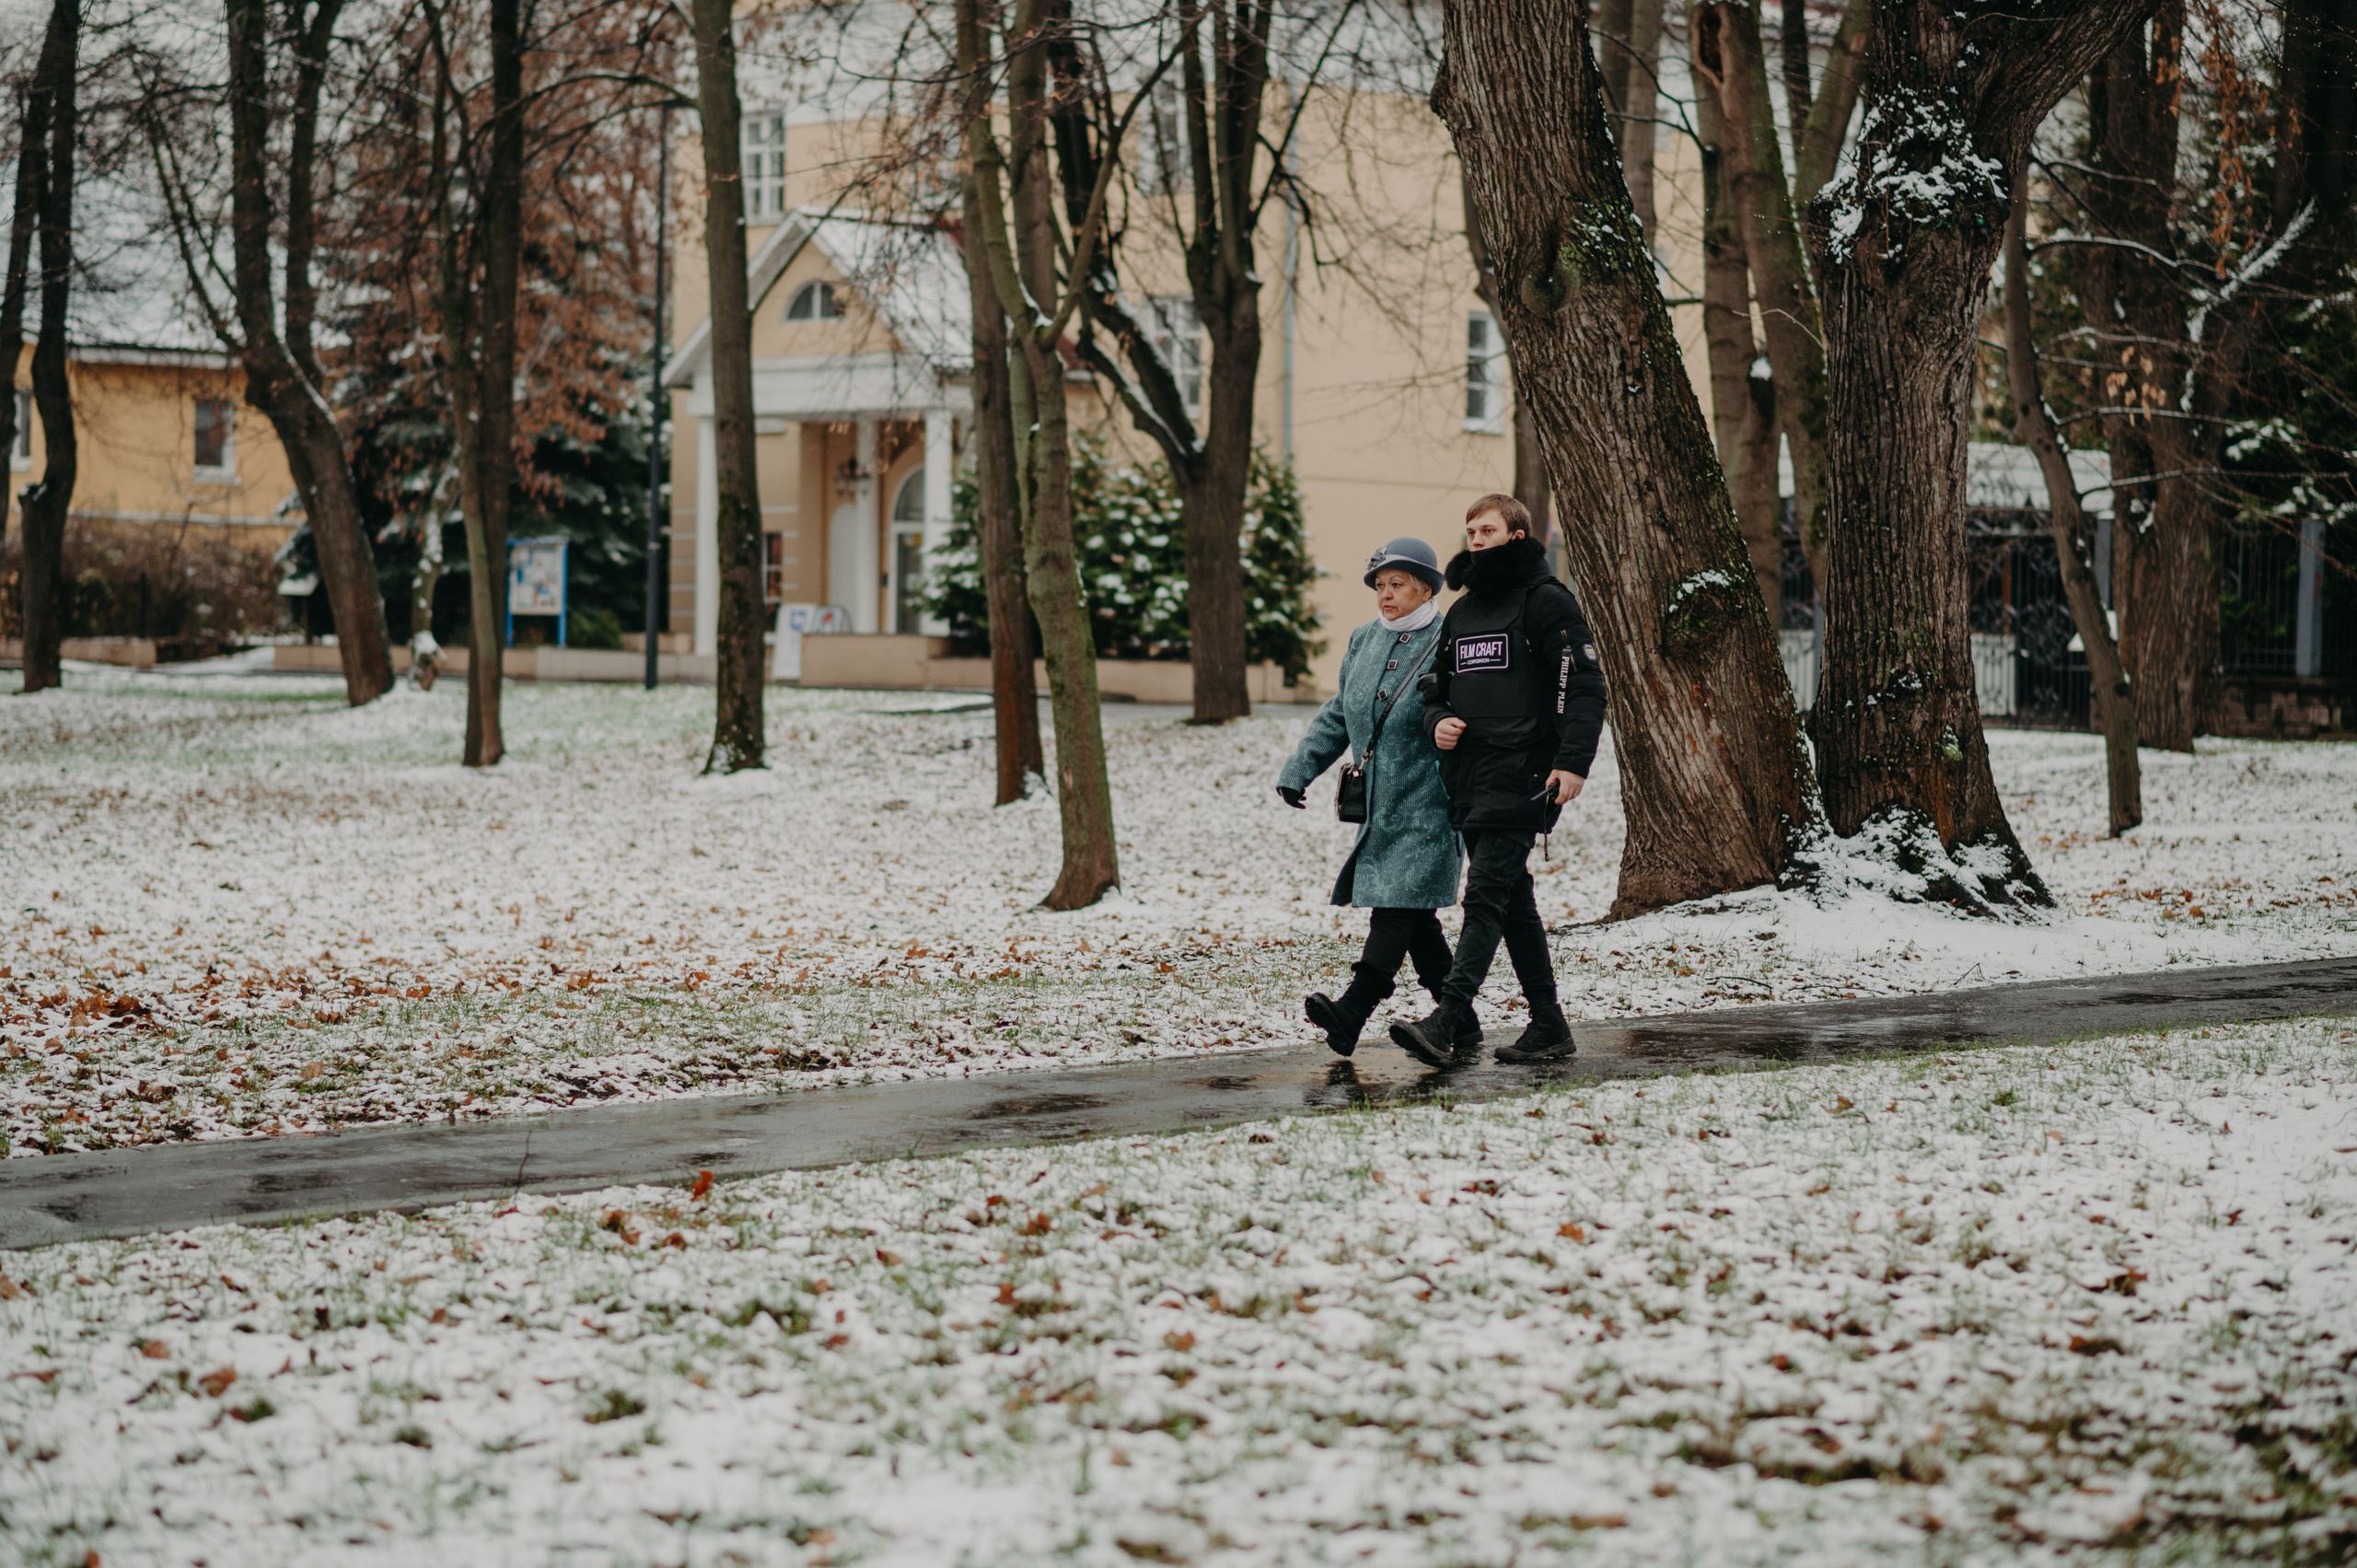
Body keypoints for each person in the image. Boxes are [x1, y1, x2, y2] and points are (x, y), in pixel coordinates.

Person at [1389, 494, 1607, 1067]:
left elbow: (1582, 685)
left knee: (1484, 895)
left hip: (1529, 771)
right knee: (1513, 903)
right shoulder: (1462, 612)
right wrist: (1438, 721)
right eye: (1470, 531)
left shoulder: (1547, 601)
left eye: (1487, 529)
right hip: (1472, 775)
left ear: (1516, 535)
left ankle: (1448, 1018)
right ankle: (1550, 1026)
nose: (1476, 539)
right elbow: (1435, 686)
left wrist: (1573, 762)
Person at [1273, 537, 1470, 1057]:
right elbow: (1339, 712)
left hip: (1433, 800)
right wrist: (1301, 769)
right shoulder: (1363, 639)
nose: (1386, 594)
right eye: (1380, 585)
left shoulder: (1450, 637)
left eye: (1398, 584)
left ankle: (1354, 1008)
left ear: (1425, 587)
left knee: (1395, 904)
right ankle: (1464, 1024)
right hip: (1380, 805)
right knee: (1413, 913)